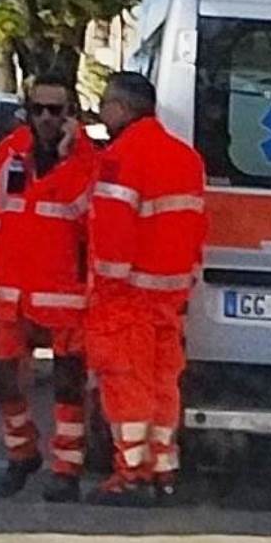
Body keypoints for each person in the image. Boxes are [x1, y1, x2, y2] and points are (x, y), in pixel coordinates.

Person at [0, 72, 96, 503]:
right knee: (3, 380)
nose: (45, 118)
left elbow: (89, 217)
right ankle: (22, 453)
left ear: (70, 115)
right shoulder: (11, 152)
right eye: (37, 109)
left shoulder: (86, 161)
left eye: (55, 110)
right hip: (13, 291)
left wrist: (64, 160)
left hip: (65, 293)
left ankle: (67, 468)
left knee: (68, 385)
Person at [86, 72, 206, 506]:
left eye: (105, 104)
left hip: (128, 296)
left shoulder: (121, 158)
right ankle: (163, 469)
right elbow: (195, 228)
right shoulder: (186, 157)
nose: (102, 112)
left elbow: (114, 232)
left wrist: (108, 285)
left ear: (121, 107)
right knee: (162, 386)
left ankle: (132, 474)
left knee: (126, 387)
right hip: (170, 297)